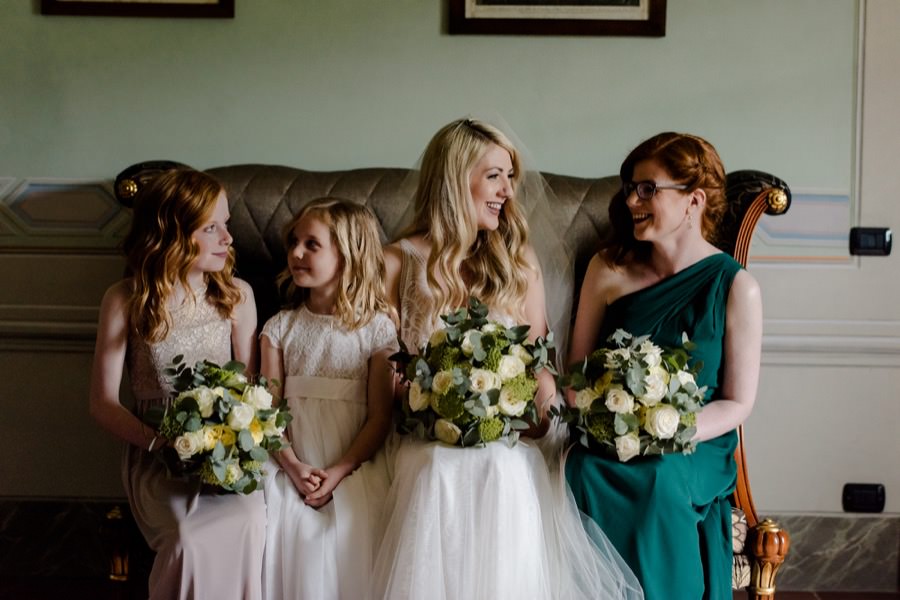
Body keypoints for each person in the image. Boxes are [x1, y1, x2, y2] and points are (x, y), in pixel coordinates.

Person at [369, 117, 643, 600]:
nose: (508, 191)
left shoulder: (517, 263)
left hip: (508, 437)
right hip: (424, 435)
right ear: (455, 179)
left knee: (505, 470)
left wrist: (536, 415)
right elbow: (385, 370)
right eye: (495, 175)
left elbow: (539, 362)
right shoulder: (397, 262)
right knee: (438, 469)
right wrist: (436, 409)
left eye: (511, 176)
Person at [564, 132, 763, 600]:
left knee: (660, 477)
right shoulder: (607, 269)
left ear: (693, 200)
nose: (633, 200)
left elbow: (737, 401)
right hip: (612, 435)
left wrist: (667, 428)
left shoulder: (737, 288)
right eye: (630, 187)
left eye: (648, 189)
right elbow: (576, 373)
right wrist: (608, 421)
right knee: (583, 470)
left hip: (694, 442)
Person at [89, 168, 266, 600]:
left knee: (251, 522)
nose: (228, 238)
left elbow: (251, 388)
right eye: (211, 227)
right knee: (187, 538)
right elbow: (102, 403)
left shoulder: (237, 296)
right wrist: (162, 444)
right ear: (171, 233)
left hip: (227, 451)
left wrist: (233, 444)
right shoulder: (125, 299)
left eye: (227, 224)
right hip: (155, 453)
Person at [260, 198, 397, 600]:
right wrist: (293, 465)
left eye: (312, 245)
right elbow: (266, 413)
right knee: (292, 533)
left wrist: (338, 472)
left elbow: (380, 416)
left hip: (353, 463)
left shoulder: (377, 331)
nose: (296, 253)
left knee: (349, 534)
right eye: (293, 242)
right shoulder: (279, 328)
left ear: (348, 255)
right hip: (291, 461)